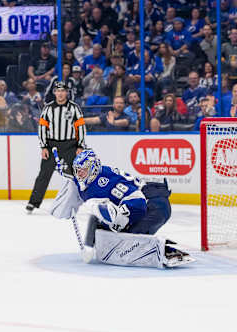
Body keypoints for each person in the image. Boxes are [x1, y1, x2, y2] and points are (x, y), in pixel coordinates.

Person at [50, 150, 194, 268]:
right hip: (147, 201)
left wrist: (121, 216)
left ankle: (165, 251)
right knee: (106, 226)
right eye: (77, 171)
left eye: (83, 171)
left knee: (127, 239)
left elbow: (137, 201)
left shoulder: (104, 182)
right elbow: (76, 186)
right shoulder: (88, 180)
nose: (79, 175)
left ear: (93, 168)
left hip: (154, 204)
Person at [26, 82, 86, 214]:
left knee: (76, 174)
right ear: (54, 92)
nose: (60, 93)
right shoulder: (48, 109)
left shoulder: (74, 108)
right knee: (44, 174)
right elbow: (42, 129)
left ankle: (81, 201)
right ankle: (33, 202)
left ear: (67, 92)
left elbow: (80, 128)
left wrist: (80, 145)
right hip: (52, 146)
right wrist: (44, 147)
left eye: (63, 91)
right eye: (58, 91)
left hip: (70, 145)